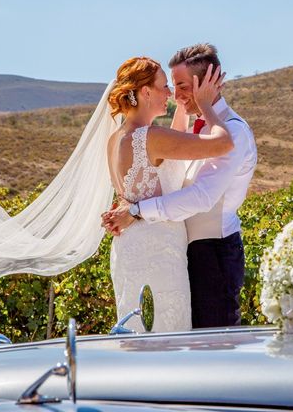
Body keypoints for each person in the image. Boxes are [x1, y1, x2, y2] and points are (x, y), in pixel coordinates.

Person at [102, 44, 258, 328]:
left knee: (206, 344)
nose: (174, 94)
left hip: (214, 252)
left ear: (206, 85)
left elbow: (202, 197)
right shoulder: (155, 136)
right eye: (169, 86)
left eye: (181, 86)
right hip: (167, 251)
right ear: (145, 92)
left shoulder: (233, 129)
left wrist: (135, 209)